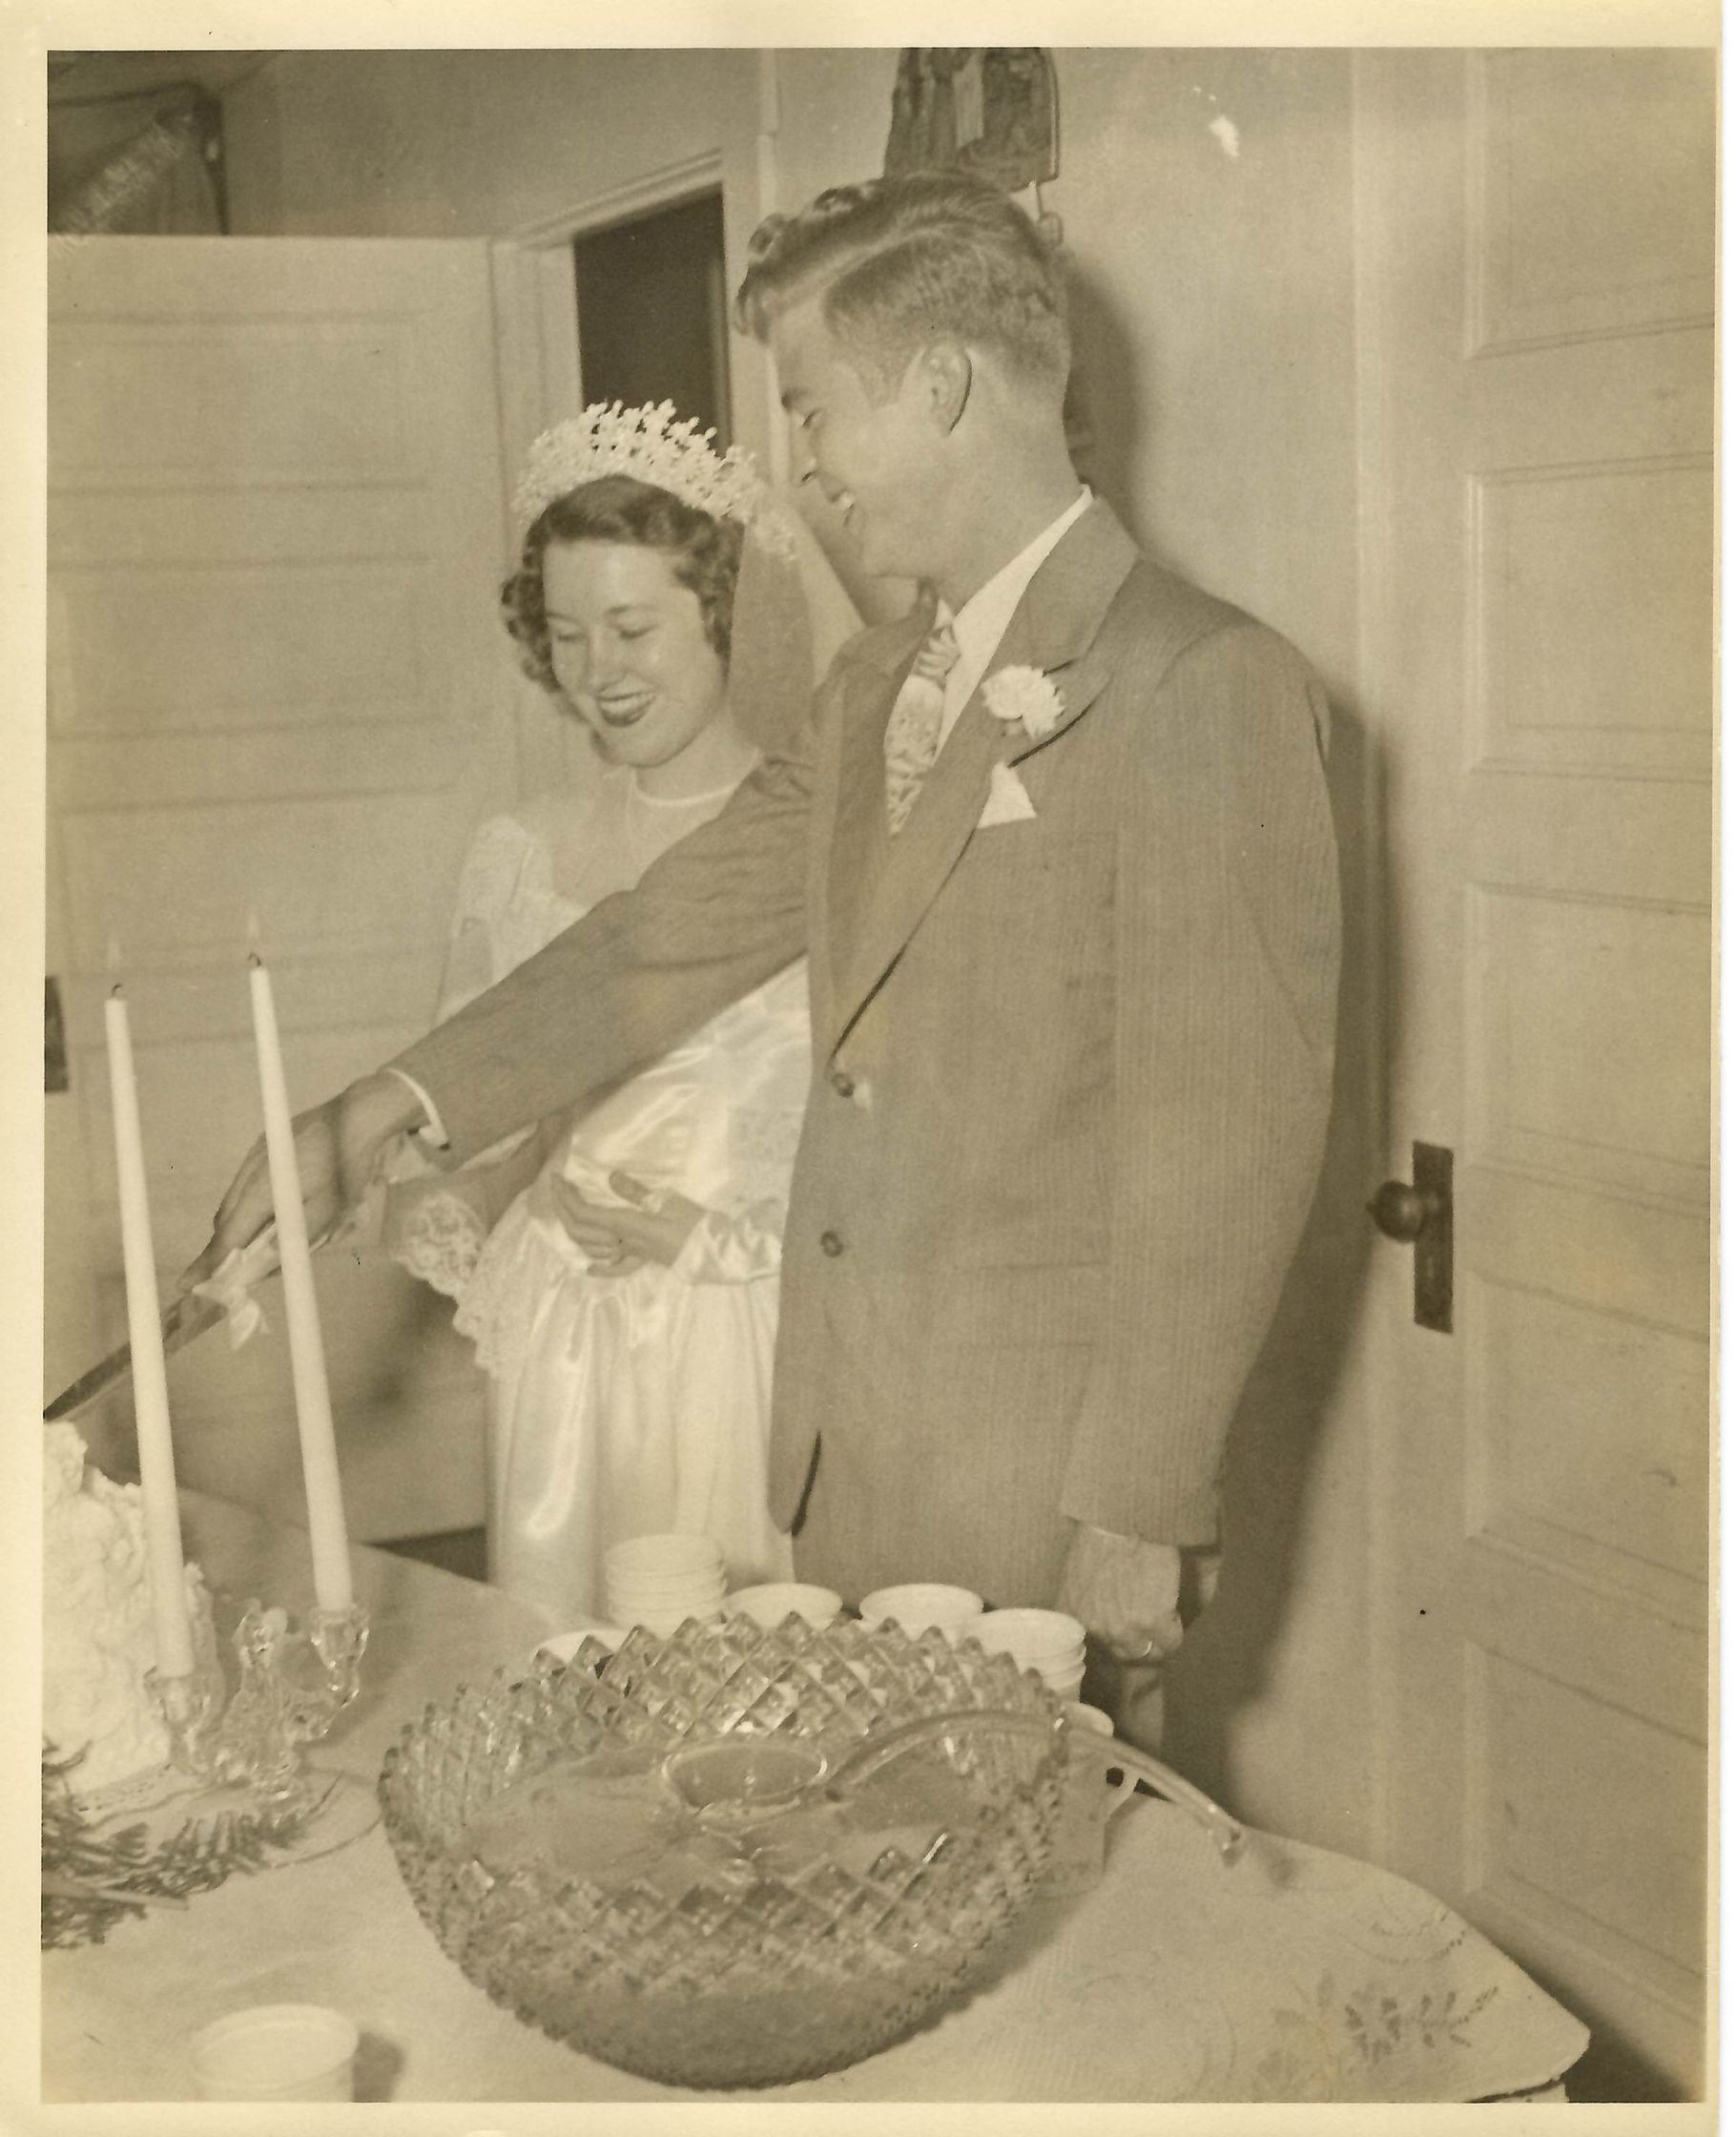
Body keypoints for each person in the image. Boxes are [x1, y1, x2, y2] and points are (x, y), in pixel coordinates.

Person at [186, 174, 1340, 1749]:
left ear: (941, 388)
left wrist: (1143, 1500)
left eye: (813, 410)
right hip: (842, 1468)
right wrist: (386, 1105)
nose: (804, 468)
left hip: (1044, 1496)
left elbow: (1225, 1149)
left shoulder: (1200, 682)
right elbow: (667, 932)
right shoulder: (877, 685)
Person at [380, 408, 816, 1622]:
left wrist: (724, 1237)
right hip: (567, 1350)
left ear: (722, 611)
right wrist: (425, 1184)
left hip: (755, 1333)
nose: (598, 673)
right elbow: (484, 1117)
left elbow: (892, 1117)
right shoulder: (518, 851)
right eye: (566, 635)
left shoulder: (819, 841)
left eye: (632, 628)